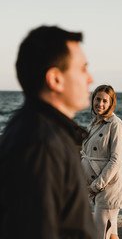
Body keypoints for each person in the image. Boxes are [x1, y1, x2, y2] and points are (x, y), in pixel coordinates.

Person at [0, 25, 98, 239]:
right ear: (55, 79)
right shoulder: (41, 143)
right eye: (83, 68)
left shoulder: (38, 131)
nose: (90, 78)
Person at [81, 85, 122, 239]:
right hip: (99, 187)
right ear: (93, 99)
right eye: (97, 99)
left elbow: (116, 160)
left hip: (108, 187)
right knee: (111, 233)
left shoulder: (115, 124)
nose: (100, 104)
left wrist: (96, 185)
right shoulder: (94, 123)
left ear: (111, 103)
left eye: (104, 101)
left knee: (101, 234)